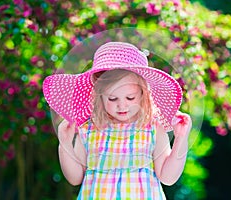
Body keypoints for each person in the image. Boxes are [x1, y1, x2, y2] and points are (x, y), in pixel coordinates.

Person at [43, 42, 192, 199]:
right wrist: (65, 143)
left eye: (130, 97)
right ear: (100, 96)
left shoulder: (153, 127)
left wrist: (181, 139)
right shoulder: (89, 128)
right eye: (112, 98)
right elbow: (75, 178)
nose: (122, 105)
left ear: (143, 94)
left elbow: (168, 178)